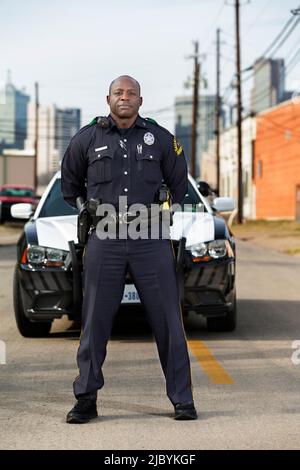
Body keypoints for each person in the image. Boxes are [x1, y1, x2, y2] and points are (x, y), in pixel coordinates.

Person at [61, 75, 197, 423]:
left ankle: (182, 399)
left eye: (131, 93)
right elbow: (70, 182)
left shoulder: (161, 138)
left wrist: (162, 211)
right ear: (108, 98)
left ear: (140, 100)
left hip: (150, 237)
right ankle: (86, 399)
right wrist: (84, 208)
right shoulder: (87, 138)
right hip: (104, 237)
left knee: (168, 320)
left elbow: (179, 184)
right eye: (119, 93)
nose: (125, 98)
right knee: (94, 322)